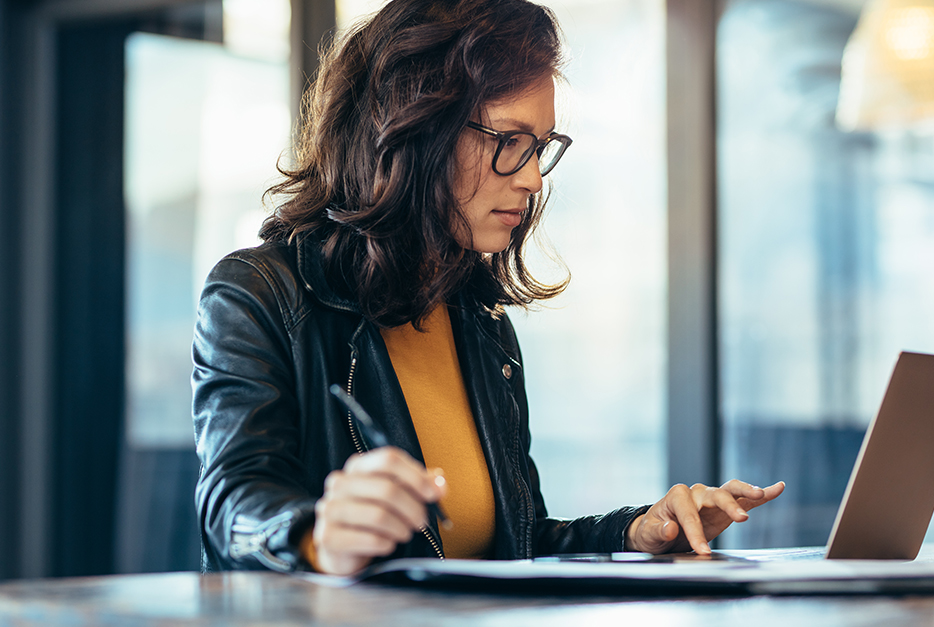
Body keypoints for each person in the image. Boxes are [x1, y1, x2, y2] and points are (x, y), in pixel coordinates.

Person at [192, 0, 783, 576]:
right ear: (415, 128)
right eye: (509, 141)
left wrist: (638, 532)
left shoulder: (480, 320)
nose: (530, 178)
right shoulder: (259, 294)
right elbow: (232, 504)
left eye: (540, 147)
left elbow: (515, 544)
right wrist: (318, 537)